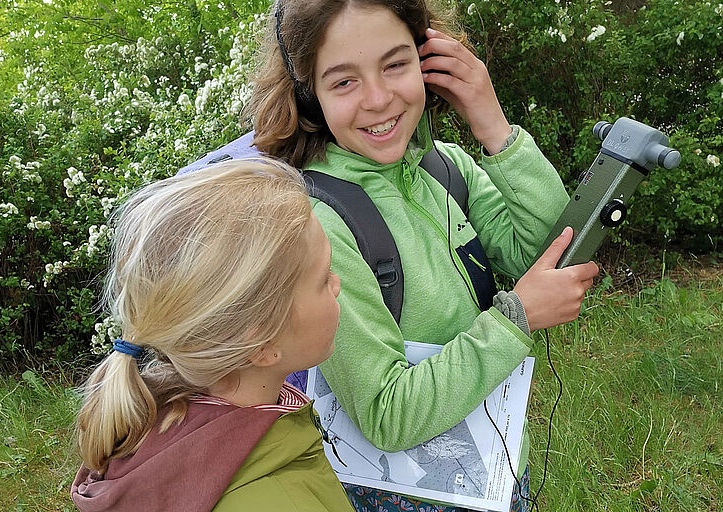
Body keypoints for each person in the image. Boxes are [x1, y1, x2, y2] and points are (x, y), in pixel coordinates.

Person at [249, 1, 600, 511]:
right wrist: (516, 316)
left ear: (428, 60)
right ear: (309, 98)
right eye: (343, 82)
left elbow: (551, 252)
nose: (377, 98)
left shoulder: (446, 169)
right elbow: (387, 414)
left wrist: (492, 124)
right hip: (404, 494)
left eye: (395, 64)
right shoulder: (318, 225)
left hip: (491, 468)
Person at [70, 158, 353, 511]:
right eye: (323, 278)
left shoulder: (158, 415)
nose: (337, 285)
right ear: (262, 345)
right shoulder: (276, 499)